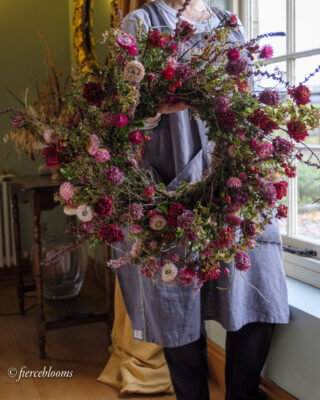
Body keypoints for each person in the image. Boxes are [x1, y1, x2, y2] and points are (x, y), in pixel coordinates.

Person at [113, 1, 290, 399]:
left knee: (257, 287)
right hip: (171, 179)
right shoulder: (140, 23)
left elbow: (248, 91)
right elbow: (119, 112)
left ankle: (241, 395)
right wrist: (154, 108)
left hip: (234, 176)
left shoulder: (226, 21)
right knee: (176, 304)